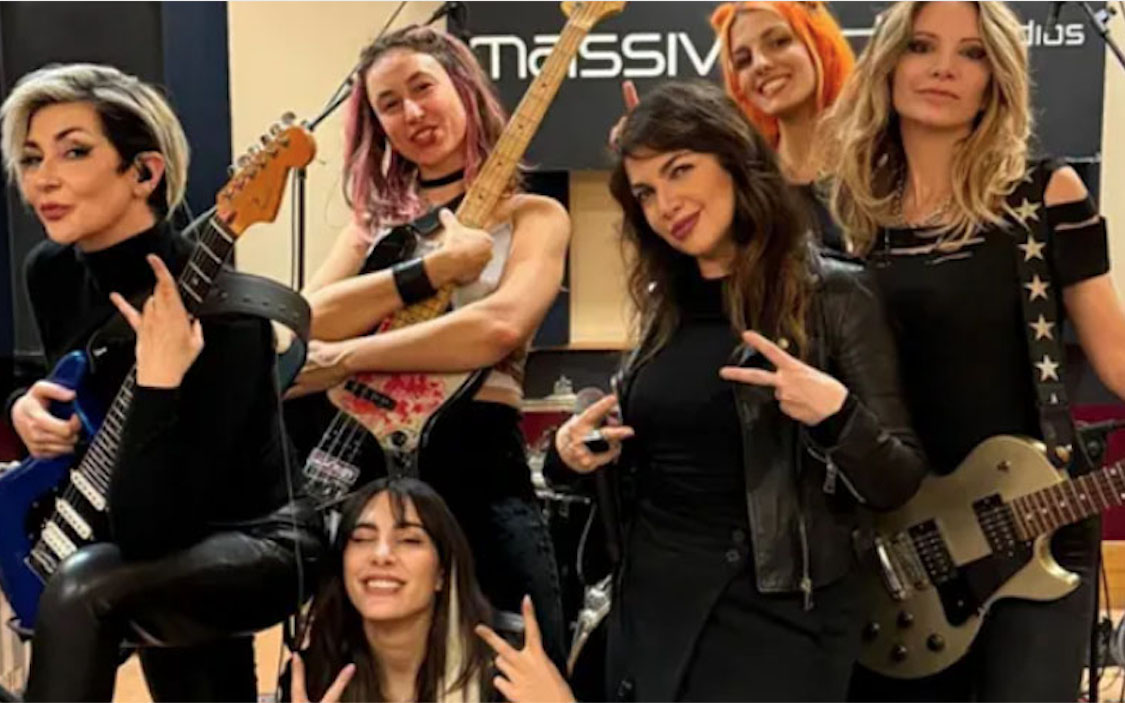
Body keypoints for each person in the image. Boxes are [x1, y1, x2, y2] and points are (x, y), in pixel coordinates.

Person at [554, 80, 926, 702]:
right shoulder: (663, 306)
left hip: (777, 621)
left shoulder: (833, 294)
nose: (666, 204)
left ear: (734, 159)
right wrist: (573, 454)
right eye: (646, 192)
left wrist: (835, 415)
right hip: (651, 608)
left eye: (680, 171)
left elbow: (898, 479)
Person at [822, 2, 1125, 700]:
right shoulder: (844, 215)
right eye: (922, 46)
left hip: (1034, 521)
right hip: (893, 541)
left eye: (972, 53)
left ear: (997, 77)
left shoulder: (1046, 194)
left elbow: (1116, 359)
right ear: (888, 62)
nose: (943, 69)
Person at [0, 63, 322, 701]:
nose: (43, 179)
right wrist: (23, 409)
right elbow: (75, 389)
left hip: (256, 539)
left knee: (86, 586)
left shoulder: (228, 317)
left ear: (144, 172)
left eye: (74, 151)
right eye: (32, 158)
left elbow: (157, 531)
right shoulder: (52, 272)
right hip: (135, 517)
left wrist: (159, 383)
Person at [286, 25, 569, 669]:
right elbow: (304, 322)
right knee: (356, 669)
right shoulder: (370, 227)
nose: (412, 113)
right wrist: (429, 272)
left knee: (523, 664)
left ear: (463, 89)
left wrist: (350, 357)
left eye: (423, 88)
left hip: (480, 465)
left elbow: (498, 328)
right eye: (389, 104)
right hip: (363, 475)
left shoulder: (534, 216)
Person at [291, 476, 573, 703]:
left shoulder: (506, 669)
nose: (381, 555)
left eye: (409, 540)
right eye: (362, 539)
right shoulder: (314, 673)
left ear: (442, 573)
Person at [710, 0, 855, 249]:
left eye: (779, 42)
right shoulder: (749, 191)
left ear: (819, 43)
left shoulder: (882, 164)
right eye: (743, 60)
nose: (760, 64)